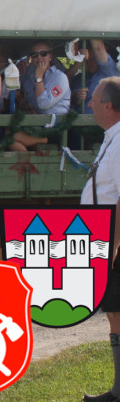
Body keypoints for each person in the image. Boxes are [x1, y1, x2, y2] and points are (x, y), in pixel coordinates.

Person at [81, 77, 120, 402]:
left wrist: (113, 245)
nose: (90, 104)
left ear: (108, 105)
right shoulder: (112, 137)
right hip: (105, 237)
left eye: (94, 99)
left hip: (116, 242)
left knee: (118, 311)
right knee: (114, 312)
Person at [68, 39, 120, 114]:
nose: (89, 63)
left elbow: (98, 48)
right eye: (86, 60)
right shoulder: (76, 79)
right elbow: (60, 87)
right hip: (79, 122)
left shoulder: (109, 71)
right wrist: (75, 97)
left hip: (101, 123)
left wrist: (91, 28)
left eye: (93, 59)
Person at [19, 41, 71, 116]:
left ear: (50, 56)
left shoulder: (60, 77)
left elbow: (43, 104)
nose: (39, 57)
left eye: (43, 54)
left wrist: (39, 78)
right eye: (34, 55)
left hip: (55, 125)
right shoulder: (29, 78)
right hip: (35, 124)